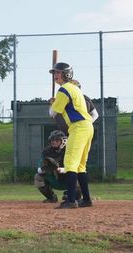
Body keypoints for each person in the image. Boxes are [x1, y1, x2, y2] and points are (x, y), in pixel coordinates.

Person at [48, 62, 94, 209]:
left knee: (70, 163)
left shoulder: (64, 89)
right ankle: (86, 199)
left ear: (66, 74)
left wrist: (52, 104)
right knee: (80, 165)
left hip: (78, 127)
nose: (55, 75)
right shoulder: (74, 88)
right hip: (87, 126)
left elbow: (53, 113)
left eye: (58, 73)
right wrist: (57, 103)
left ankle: (71, 201)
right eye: (54, 73)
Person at [34, 130, 82, 203]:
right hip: (54, 178)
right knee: (38, 177)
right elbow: (39, 168)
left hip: (68, 177)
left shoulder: (69, 150)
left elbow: (76, 166)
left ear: (63, 141)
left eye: (57, 140)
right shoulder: (46, 151)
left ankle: (75, 197)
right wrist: (45, 169)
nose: (54, 142)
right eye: (52, 140)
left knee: (79, 176)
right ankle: (51, 197)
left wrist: (62, 169)